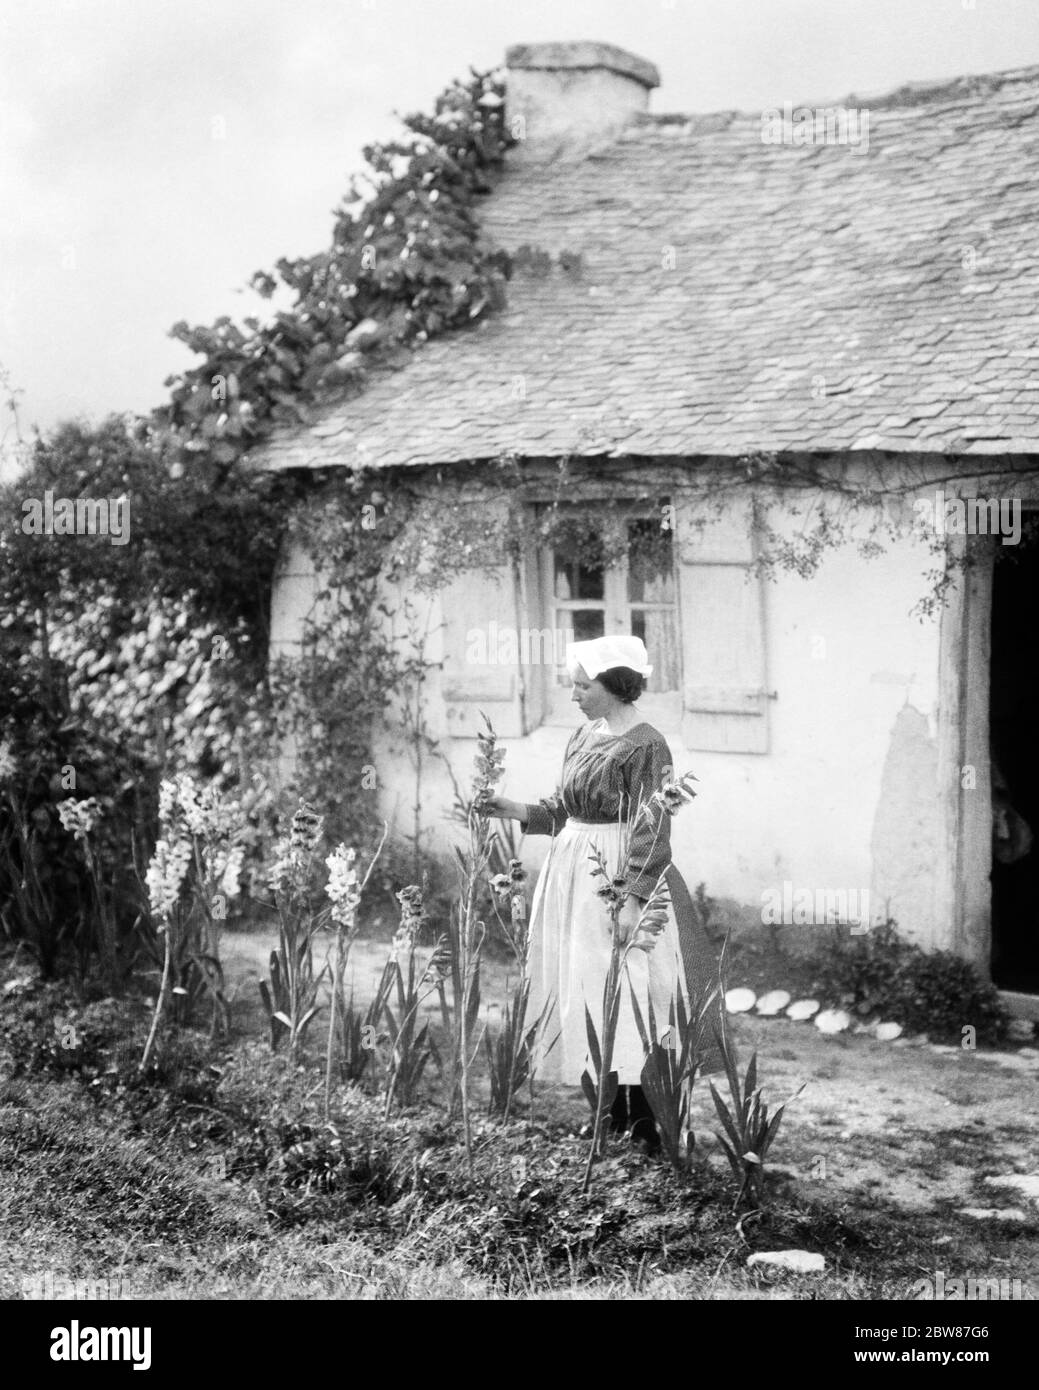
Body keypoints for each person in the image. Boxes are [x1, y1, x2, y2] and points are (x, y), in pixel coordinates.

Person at [487, 634, 722, 1154]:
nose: (573, 694)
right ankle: (609, 1116)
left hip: (618, 876)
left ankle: (644, 1126)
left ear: (615, 686)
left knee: (633, 991)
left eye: (582, 685)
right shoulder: (583, 735)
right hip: (574, 873)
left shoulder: (646, 744)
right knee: (590, 988)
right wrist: (513, 808)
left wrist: (635, 898)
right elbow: (564, 808)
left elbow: (653, 823)